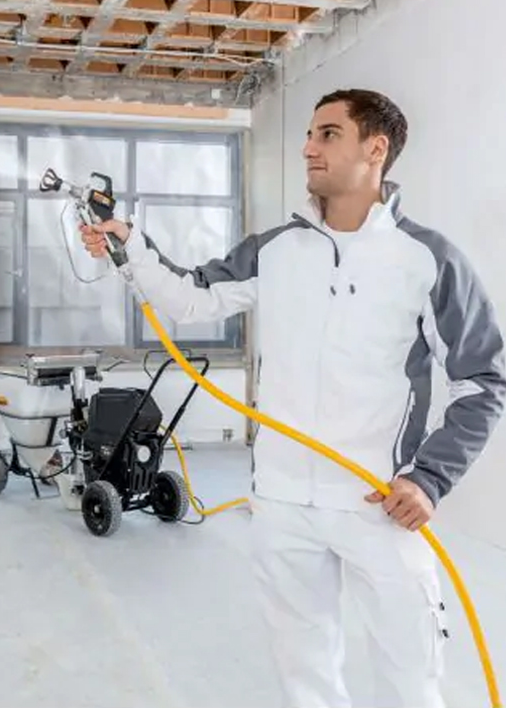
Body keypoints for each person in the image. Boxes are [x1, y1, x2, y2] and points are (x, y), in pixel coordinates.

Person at [79, 89, 506, 708]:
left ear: (376, 149)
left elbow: (482, 381)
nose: (308, 147)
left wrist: (429, 478)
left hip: (378, 503)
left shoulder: (427, 260)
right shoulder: (276, 250)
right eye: (309, 134)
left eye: (328, 134)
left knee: (410, 677)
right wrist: (131, 245)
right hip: (281, 503)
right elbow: (190, 297)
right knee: (305, 675)